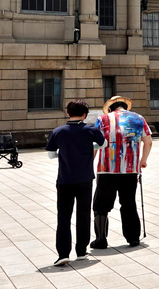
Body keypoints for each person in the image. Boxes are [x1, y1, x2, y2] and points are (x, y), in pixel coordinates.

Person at [46, 99, 106, 266]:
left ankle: (63, 253)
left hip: (65, 180)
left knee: (64, 216)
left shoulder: (58, 131)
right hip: (85, 179)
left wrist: (63, 153)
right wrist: (89, 148)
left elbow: (51, 155)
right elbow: (104, 144)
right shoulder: (90, 129)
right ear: (85, 115)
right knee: (83, 214)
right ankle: (81, 251)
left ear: (68, 113)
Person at [91, 96, 152, 249]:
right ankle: (133, 238)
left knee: (101, 205)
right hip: (130, 169)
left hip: (107, 169)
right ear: (125, 106)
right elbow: (148, 142)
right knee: (128, 202)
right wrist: (143, 160)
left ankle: (101, 239)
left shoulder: (102, 119)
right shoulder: (139, 118)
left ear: (110, 108)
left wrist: (89, 163)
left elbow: (94, 144)